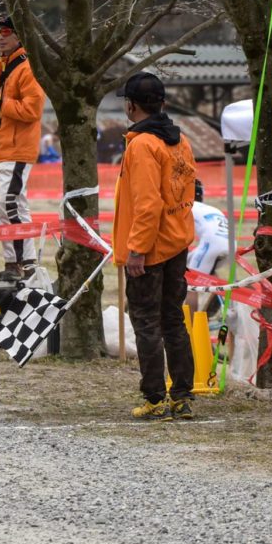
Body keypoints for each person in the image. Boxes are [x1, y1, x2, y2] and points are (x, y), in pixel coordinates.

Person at [113, 72, 197, 421]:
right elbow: (186, 193)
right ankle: (182, 396)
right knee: (173, 320)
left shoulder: (142, 146)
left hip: (150, 249)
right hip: (177, 242)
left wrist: (137, 250)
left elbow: (147, 204)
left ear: (131, 105)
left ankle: (154, 398)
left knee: (147, 323)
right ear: (161, 103)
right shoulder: (180, 141)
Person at [0, 16, 45, 280]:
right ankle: (19, 262)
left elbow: (32, 110)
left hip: (18, 148)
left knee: (7, 204)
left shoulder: (28, 67)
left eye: (5, 32)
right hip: (2, 148)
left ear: (19, 35)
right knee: (11, 206)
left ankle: (20, 263)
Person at [185, 198, 230, 314]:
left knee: (191, 285)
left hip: (212, 243)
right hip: (229, 243)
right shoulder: (203, 207)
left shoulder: (182, 205)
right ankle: (211, 309)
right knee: (210, 274)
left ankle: (190, 327)